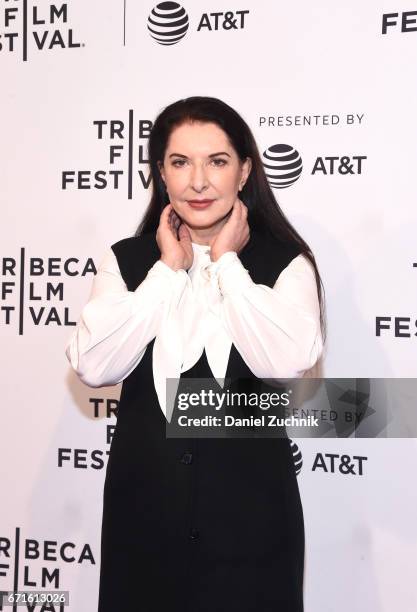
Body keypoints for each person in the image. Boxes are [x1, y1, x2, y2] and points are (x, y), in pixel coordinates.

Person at [65, 96, 325, 612]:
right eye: (180, 162)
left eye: (218, 161)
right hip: (143, 521)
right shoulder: (127, 261)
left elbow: (286, 358)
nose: (198, 181)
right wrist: (166, 270)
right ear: (161, 173)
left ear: (245, 170)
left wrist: (227, 266)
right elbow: (94, 365)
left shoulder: (286, 262)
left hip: (251, 527)